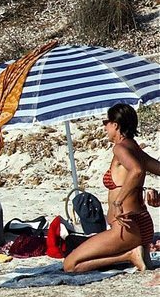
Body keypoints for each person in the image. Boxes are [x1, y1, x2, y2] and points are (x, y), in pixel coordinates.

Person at [64, 103, 158, 273]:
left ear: (115, 124)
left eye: (106, 122)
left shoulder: (120, 148)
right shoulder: (135, 148)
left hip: (126, 225)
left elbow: (136, 171)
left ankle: (130, 255)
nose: (104, 126)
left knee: (70, 265)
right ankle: (135, 253)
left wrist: (118, 202)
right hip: (143, 223)